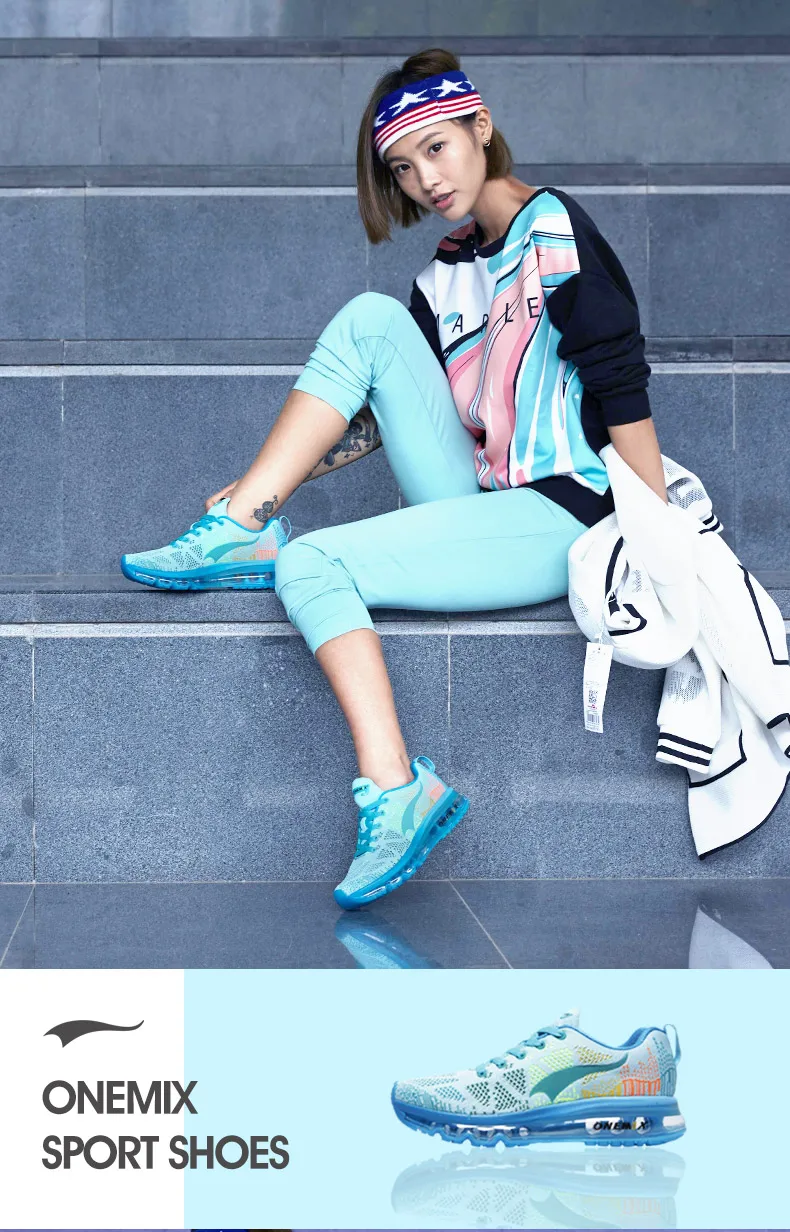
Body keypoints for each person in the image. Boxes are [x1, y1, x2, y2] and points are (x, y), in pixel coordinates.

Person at [121, 48, 668, 910]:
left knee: (312, 563)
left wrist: (658, 529)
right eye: (403, 168)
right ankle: (246, 521)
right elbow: (383, 419)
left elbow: (619, 376)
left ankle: (397, 789)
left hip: (568, 507)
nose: (425, 180)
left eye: (437, 149)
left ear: (481, 128)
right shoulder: (443, 273)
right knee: (372, 320)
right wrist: (264, 482)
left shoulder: (552, 228)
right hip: (485, 499)